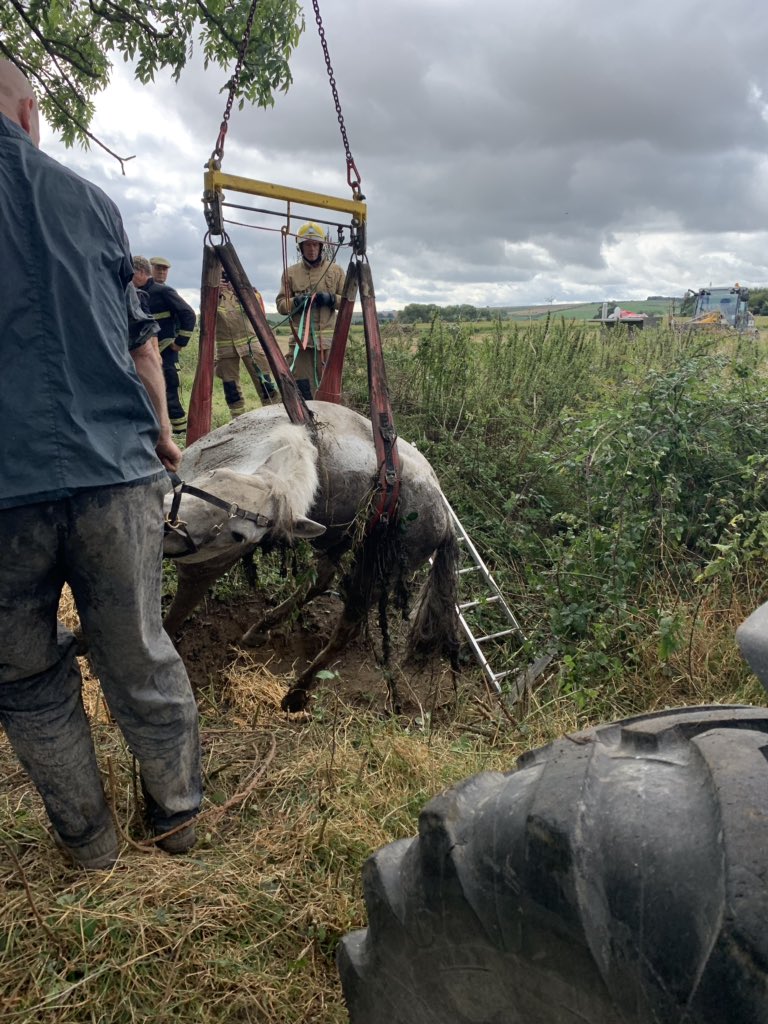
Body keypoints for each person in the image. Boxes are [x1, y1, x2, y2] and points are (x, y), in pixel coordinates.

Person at [0, 61, 202, 869]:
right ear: (29, 108)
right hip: (114, 478)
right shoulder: (91, 201)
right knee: (140, 648)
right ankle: (178, 818)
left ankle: (91, 849)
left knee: (26, 679)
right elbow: (143, 347)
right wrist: (162, 434)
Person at [276, 221, 346, 399]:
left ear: (321, 246)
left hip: (328, 345)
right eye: (307, 244)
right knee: (303, 390)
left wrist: (330, 299)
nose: (312, 249)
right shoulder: (290, 273)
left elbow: (348, 303)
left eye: (315, 244)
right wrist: (296, 302)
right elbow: (281, 306)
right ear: (300, 247)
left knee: (329, 390)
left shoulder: (336, 271)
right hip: (302, 346)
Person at [142, 258, 196, 435]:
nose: (162, 272)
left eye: (165, 270)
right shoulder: (137, 291)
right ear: (150, 269)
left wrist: (180, 342)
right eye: (158, 269)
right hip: (143, 351)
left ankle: (180, 434)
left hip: (166, 350)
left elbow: (188, 314)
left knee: (170, 388)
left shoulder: (165, 291)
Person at [215, 271, 279, 417]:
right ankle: (237, 419)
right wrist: (215, 294)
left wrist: (240, 291)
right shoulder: (211, 296)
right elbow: (206, 315)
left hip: (251, 345)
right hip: (225, 349)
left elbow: (258, 309)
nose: (225, 280)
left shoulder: (246, 291)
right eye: (222, 277)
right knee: (231, 389)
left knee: (265, 383)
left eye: (227, 276)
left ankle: (273, 415)